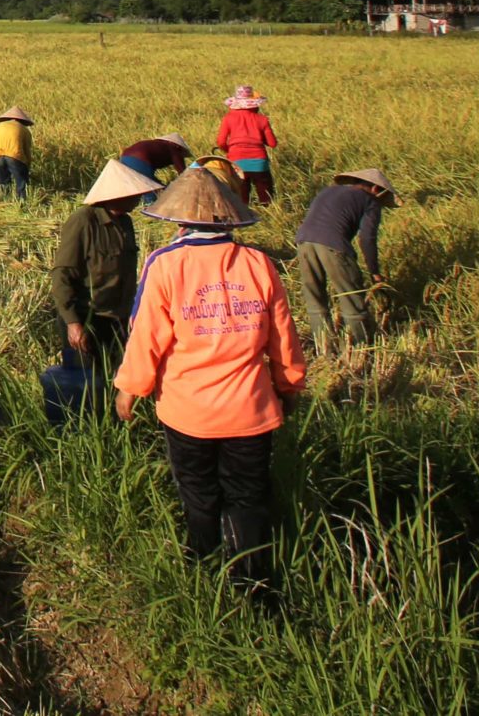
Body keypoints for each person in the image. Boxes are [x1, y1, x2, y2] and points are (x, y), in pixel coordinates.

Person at [113, 169, 308, 597]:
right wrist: (290, 385)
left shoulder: (165, 265)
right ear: (229, 222)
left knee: (199, 495)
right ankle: (254, 585)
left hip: (188, 413)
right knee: (248, 498)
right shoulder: (259, 264)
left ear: (179, 222)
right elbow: (283, 336)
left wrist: (130, 389)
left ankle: (204, 573)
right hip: (251, 410)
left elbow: (147, 337)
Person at [44, 160, 161, 420]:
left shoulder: (126, 223)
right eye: (134, 194)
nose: (138, 198)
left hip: (117, 318)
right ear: (117, 194)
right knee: (86, 385)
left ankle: (112, 424)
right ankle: (86, 431)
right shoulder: (83, 221)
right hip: (87, 318)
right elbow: (63, 274)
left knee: (116, 379)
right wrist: (74, 323)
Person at [292, 168, 395, 354]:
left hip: (304, 242)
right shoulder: (370, 201)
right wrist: (375, 272)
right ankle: (361, 349)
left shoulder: (328, 191)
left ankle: (325, 350)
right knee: (352, 298)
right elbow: (367, 239)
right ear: (375, 189)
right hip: (334, 245)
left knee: (315, 298)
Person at [213, 85, 279, 205]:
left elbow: (221, 142)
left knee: (241, 199)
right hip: (259, 162)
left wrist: (230, 150)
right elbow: (272, 143)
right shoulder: (262, 119)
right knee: (266, 196)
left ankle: (244, 219)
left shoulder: (228, 119)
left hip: (236, 162)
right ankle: (266, 215)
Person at [0, 107, 33, 201]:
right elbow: (27, 149)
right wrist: (27, 165)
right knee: (21, 183)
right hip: (15, 156)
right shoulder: (24, 129)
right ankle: (22, 204)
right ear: (22, 120)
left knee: (3, 183)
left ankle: (5, 203)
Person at [120, 134, 190, 182]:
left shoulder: (156, 145)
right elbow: (183, 173)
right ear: (178, 146)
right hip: (139, 159)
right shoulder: (173, 149)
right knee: (152, 191)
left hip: (124, 158)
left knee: (139, 186)